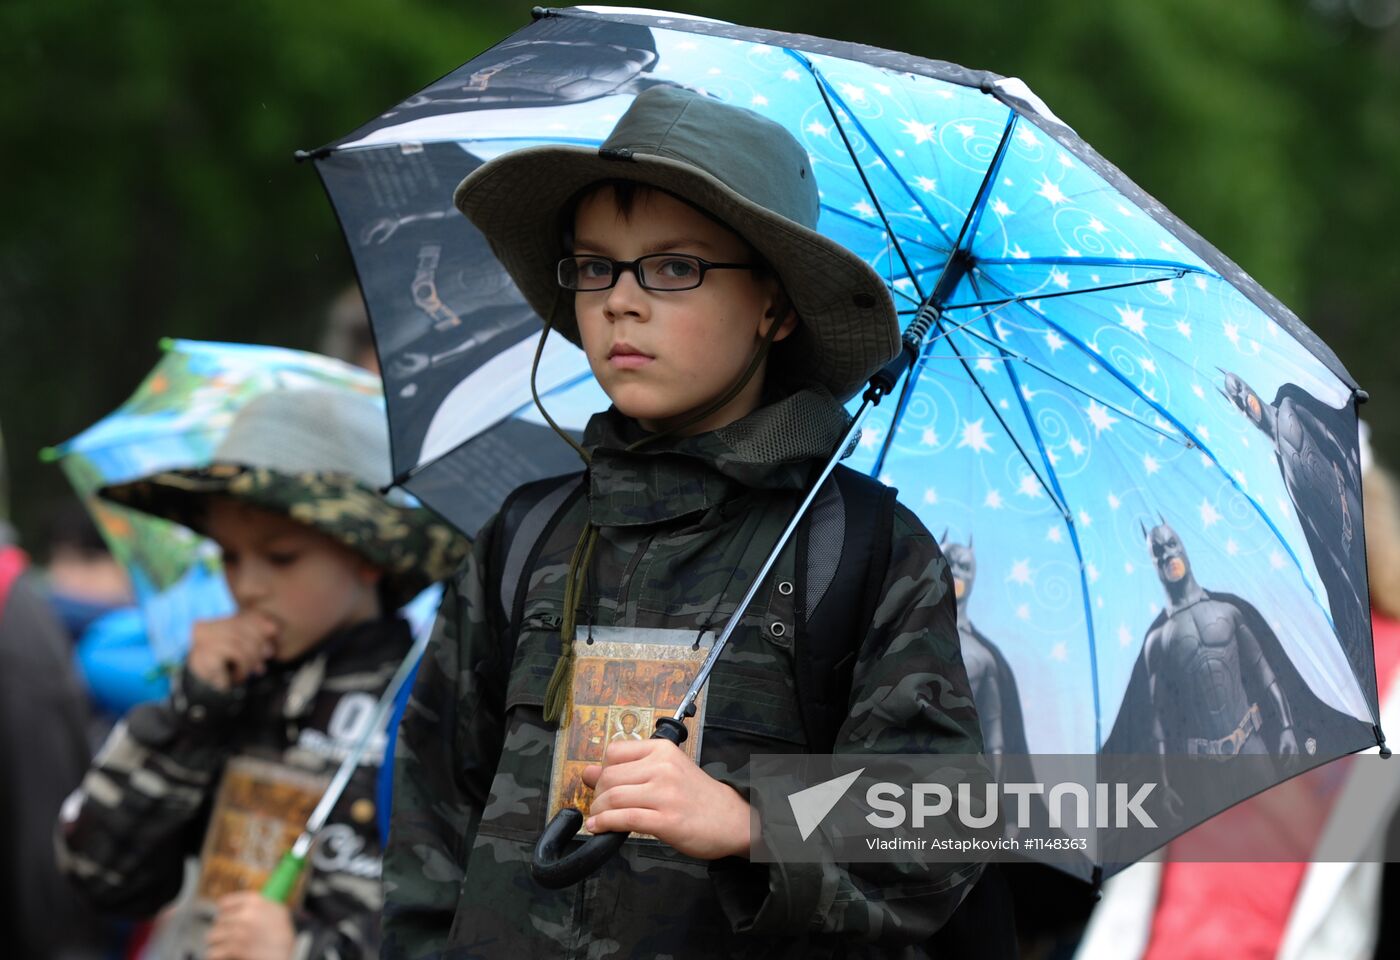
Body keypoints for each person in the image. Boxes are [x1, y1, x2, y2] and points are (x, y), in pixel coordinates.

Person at [383, 86, 986, 958]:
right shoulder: (526, 538)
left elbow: (936, 825)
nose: (621, 302)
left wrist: (750, 824)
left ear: (775, 308)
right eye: (595, 266)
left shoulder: (856, 550)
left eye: (674, 268)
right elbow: (432, 827)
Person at [55, 388, 466, 960]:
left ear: (368, 553)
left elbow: (452, 920)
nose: (246, 587)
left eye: (281, 558)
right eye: (229, 557)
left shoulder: (428, 703)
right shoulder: (228, 689)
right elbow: (99, 871)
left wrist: (300, 950)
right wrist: (191, 713)